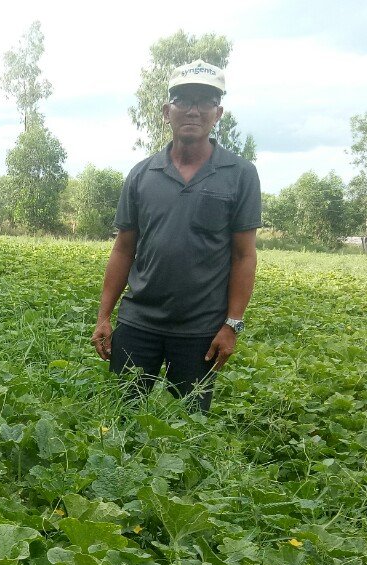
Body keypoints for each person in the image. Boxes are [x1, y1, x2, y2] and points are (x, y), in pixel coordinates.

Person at [92, 59, 261, 412]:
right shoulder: (142, 175)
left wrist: (232, 325)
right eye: (183, 100)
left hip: (201, 330)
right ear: (167, 111)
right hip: (139, 323)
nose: (193, 111)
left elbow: (244, 255)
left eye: (205, 101)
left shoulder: (240, 174)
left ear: (218, 112)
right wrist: (105, 315)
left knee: (188, 428)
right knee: (122, 416)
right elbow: (124, 249)